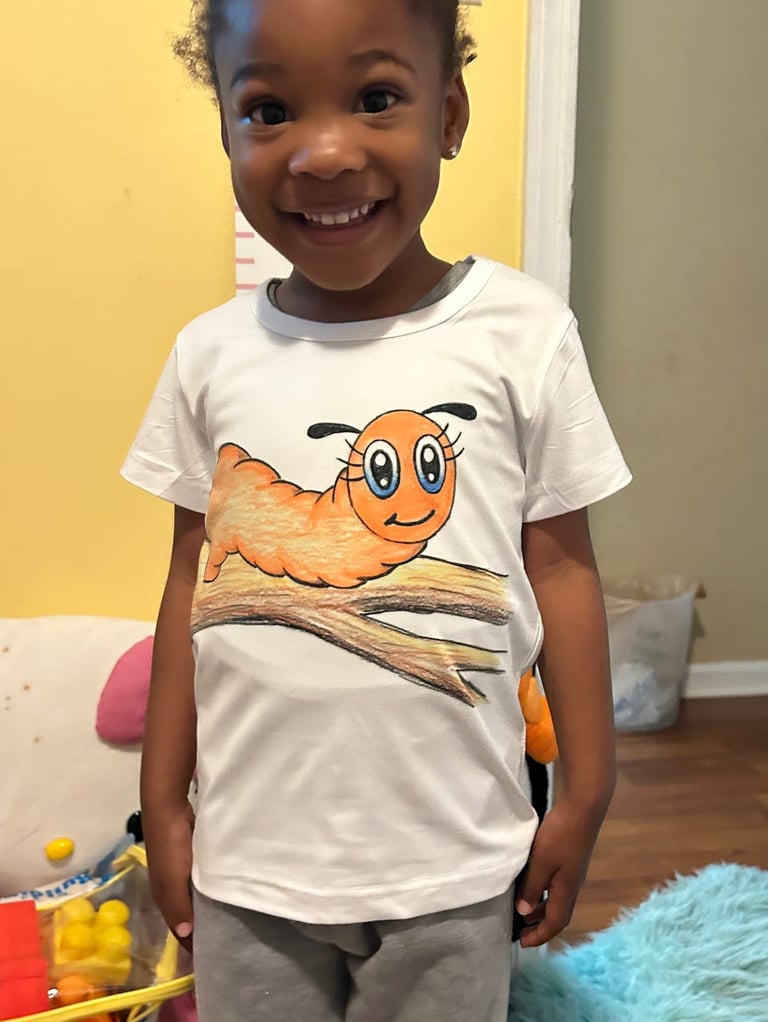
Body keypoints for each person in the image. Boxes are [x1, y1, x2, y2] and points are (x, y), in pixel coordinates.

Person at [121, 0, 631, 1019]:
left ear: (449, 114)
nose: (323, 153)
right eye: (269, 111)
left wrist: (586, 789)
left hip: (453, 864)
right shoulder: (208, 354)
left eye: (376, 97)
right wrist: (163, 802)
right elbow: (191, 581)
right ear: (225, 129)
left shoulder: (523, 333)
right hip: (251, 872)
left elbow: (563, 571)